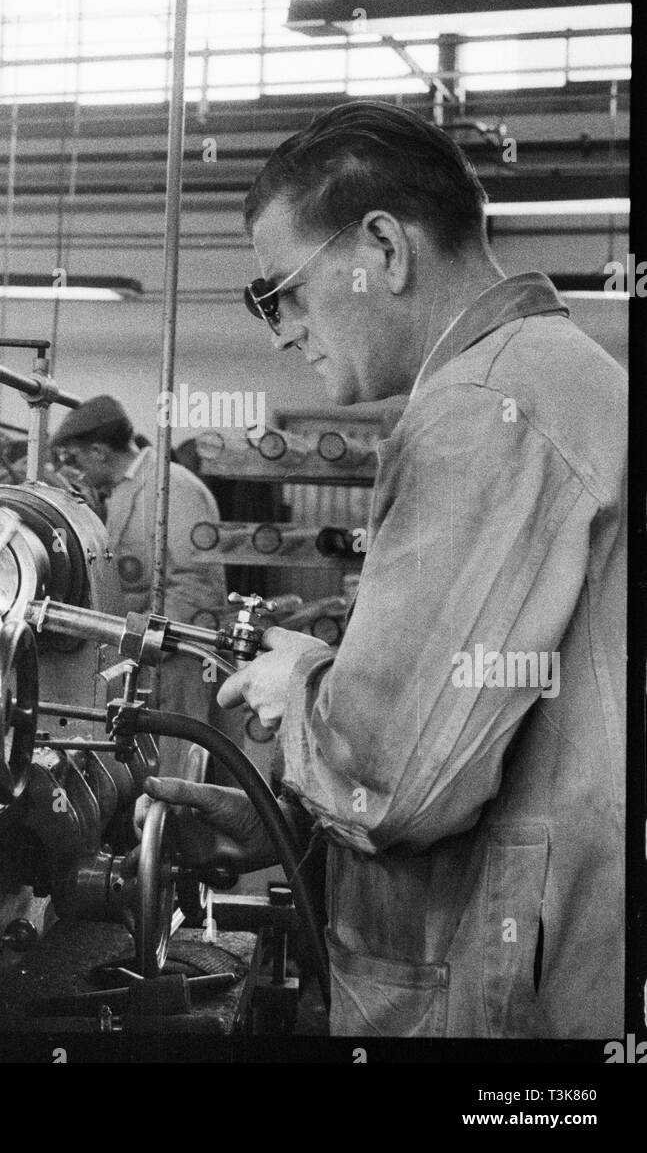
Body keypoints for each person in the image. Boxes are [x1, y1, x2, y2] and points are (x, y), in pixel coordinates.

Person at [134, 101, 626, 1039]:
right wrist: (291, 823)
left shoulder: (486, 408)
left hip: (507, 1006)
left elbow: (402, 785)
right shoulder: (547, 377)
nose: (279, 330)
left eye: (280, 291)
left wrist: (301, 680)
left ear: (384, 251)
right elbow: (491, 743)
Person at [52, 395, 239, 777]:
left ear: (100, 452)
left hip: (179, 659)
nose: (74, 470)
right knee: (153, 771)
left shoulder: (173, 489)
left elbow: (198, 587)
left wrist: (144, 645)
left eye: (75, 458)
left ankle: (177, 835)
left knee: (180, 771)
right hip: (149, 655)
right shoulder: (124, 489)